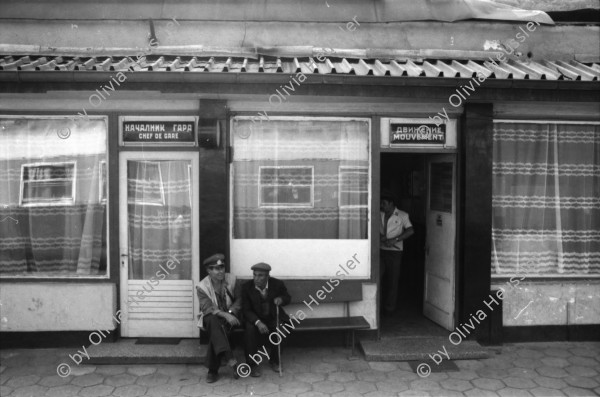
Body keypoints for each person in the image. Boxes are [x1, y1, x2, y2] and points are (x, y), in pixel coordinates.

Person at [196, 253, 241, 383]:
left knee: (218, 331)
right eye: (216, 268)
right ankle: (230, 358)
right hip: (213, 316)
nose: (220, 271)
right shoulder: (202, 286)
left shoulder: (232, 279)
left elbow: (239, 299)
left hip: (231, 315)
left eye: (222, 267)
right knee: (214, 322)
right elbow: (207, 308)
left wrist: (231, 312)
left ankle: (213, 370)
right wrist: (225, 315)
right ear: (208, 271)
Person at [242, 262, 291, 377]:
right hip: (254, 319)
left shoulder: (277, 284)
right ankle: (252, 365)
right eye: (255, 275)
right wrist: (258, 322)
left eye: (260, 275)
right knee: (250, 331)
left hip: (272, 316)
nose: (256, 278)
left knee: (281, 329)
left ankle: (274, 360)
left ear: (268, 276)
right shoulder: (246, 287)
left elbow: (288, 298)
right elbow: (246, 309)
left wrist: (281, 299)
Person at [380, 191, 414, 314]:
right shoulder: (379, 213)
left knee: (392, 281)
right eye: (381, 203)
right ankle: (377, 307)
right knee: (377, 279)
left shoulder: (402, 215)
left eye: (384, 203)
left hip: (395, 252)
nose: (381, 206)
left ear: (391, 204)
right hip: (380, 250)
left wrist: (395, 239)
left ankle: (389, 309)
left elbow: (410, 230)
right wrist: (382, 237)